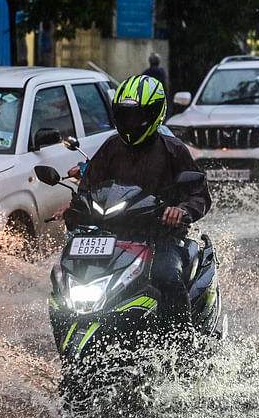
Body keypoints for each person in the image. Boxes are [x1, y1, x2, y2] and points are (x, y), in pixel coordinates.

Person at [57, 74, 210, 326]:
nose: (130, 122)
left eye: (136, 116)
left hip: (161, 237)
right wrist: (74, 209)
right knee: (66, 274)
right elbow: (87, 188)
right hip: (111, 235)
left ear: (153, 114)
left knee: (166, 277)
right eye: (125, 115)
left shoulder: (173, 149)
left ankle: (182, 342)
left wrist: (180, 210)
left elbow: (199, 194)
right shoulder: (110, 148)